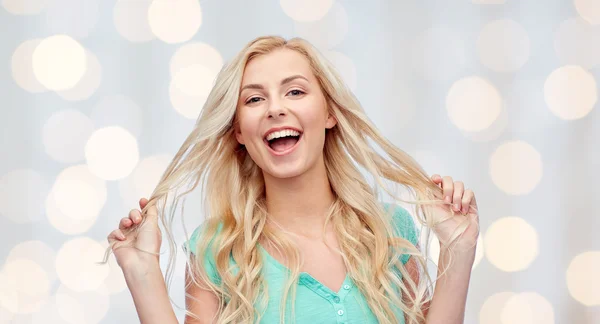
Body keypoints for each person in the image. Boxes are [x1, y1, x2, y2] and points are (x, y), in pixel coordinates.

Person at [102, 35, 480, 324]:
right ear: (237, 131)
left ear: (330, 112)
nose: (276, 108)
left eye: (295, 91)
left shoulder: (390, 233)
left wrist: (458, 249)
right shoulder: (216, 250)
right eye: (253, 100)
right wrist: (142, 273)